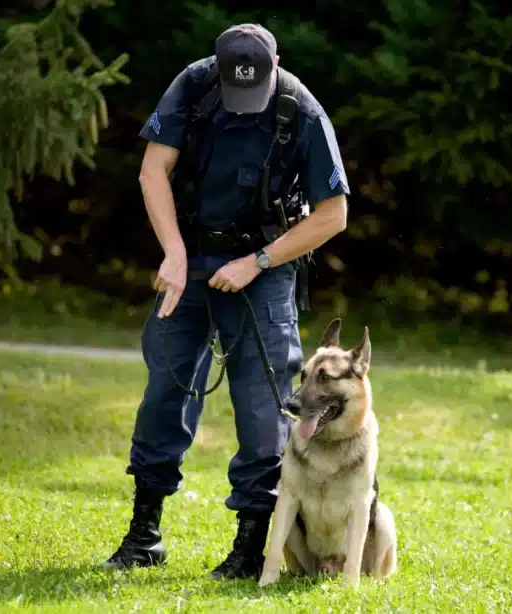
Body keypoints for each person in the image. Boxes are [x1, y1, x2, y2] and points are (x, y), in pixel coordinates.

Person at [101, 23, 349, 581]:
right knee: (165, 389)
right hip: (187, 259)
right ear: (215, 67)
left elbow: (333, 214)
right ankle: (145, 535)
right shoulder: (192, 86)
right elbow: (152, 170)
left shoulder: (301, 111)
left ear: (276, 63)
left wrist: (257, 263)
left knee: (264, 408)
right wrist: (172, 253)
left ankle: (249, 549)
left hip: (262, 268)